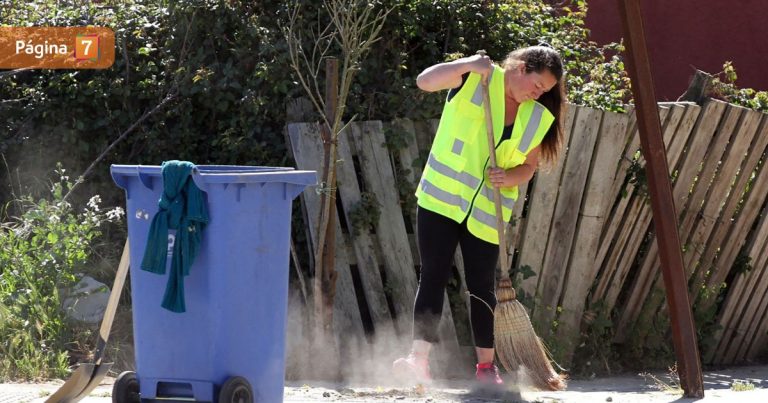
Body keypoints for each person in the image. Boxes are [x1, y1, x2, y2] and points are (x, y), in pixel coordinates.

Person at [392, 46, 566, 385]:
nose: (538, 93)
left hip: (487, 211)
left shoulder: (537, 118)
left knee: (481, 287)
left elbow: (528, 167)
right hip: (441, 199)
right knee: (433, 275)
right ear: (520, 67)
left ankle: (487, 369)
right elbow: (424, 81)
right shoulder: (475, 79)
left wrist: (508, 177)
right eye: (537, 85)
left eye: (544, 90)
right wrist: (469, 63)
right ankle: (418, 360)